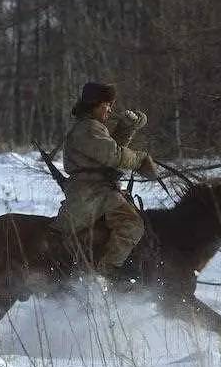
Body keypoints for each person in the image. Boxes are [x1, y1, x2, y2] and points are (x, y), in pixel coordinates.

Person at [52, 81, 158, 281]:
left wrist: (127, 127)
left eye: (110, 105)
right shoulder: (88, 128)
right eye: (105, 105)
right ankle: (106, 272)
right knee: (132, 223)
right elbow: (114, 155)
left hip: (97, 191)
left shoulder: (92, 128)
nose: (109, 110)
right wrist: (141, 160)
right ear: (93, 105)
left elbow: (110, 150)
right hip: (91, 194)